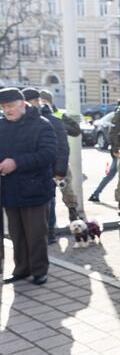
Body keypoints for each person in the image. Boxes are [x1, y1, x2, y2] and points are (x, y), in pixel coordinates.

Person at [0, 87, 57, 285]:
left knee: (35, 234)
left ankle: (39, 270)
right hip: (9, 190)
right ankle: (21, 269)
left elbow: (48, 154)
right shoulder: (1, 126)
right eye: (3, 107)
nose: (7, 110)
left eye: (11, 106)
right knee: (16, 234)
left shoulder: (42, 125)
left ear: (22, 104)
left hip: (35, 189)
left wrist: (16, 163)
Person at [21, 88, 67, 244]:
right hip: (27, 173)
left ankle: (49, 234)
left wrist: (60, 171)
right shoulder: (20, 122)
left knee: (49, 203)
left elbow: (62, 148)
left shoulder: (52, 120)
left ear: (35, 102)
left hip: (49, 171)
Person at [40, 89, 81, 221]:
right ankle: (50, 223)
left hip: (61, 159)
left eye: (44, 101)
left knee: (67, 189)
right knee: (48, 196)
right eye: (40, 102)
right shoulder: (36, 116)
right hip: (45, 160)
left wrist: (60, 125)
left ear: (50, 102)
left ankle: (73, 215)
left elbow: (76, 131)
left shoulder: (59, 115)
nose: (42, 104)